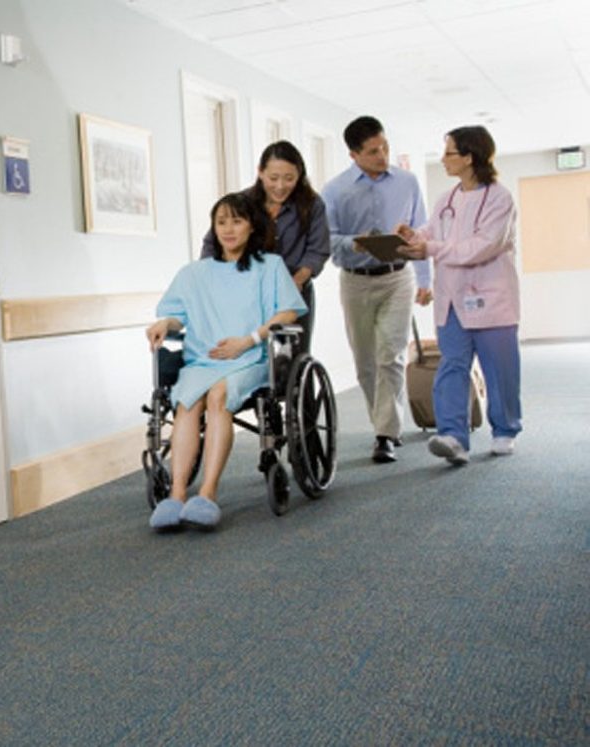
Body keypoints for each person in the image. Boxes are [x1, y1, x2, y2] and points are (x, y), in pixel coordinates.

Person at [146, 192, 307, 531]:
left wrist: (248, 340)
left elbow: (289, 311)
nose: (229, 229)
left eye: (237, 221)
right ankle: (176, 495)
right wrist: (165, 323)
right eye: (222, 222)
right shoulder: (194, 274)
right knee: (187, 404)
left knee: (219, 396)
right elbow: (175, 315)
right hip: (202, 361)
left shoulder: (269, 266)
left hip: (250, 358)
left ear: (252, 227)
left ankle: (207, 492)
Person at [395, 125, 521, 465]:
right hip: (452, 299)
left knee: (500, 369)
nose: (444, 159)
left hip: (491, 297)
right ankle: (453, 436)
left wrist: (429, 247)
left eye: (450, 152)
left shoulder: (500, 197)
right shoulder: (446, 199)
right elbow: (432, 232)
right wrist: (412, 236)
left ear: (469, 157)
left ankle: (505, 430)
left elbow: (483, 245)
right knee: (451, 366)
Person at [321, 115, 432, 464]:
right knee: (366, 362)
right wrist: (356, 243)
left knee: (391, 354)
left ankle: (385, 433)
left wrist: (426, 279)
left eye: (384, 147)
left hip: (398, 277)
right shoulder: (334, 190)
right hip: (355, 280)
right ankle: (383, 422)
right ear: (354, 155)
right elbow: (327, 239)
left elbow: (421, 232)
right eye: (373, 151)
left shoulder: (408, 182)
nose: (382, 156)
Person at [201, 140, 330, 352]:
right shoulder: (242, 202)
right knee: (252, 351)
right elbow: (213, 242)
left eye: (289, 178)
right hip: (249, 292)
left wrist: (295, 282)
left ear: (300, 176)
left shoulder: (313, 205)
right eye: (273, 178)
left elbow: (317, 251)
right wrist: (214, 279)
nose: (280, 186)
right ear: (260, 172)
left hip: (293, 290)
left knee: (294, 356)